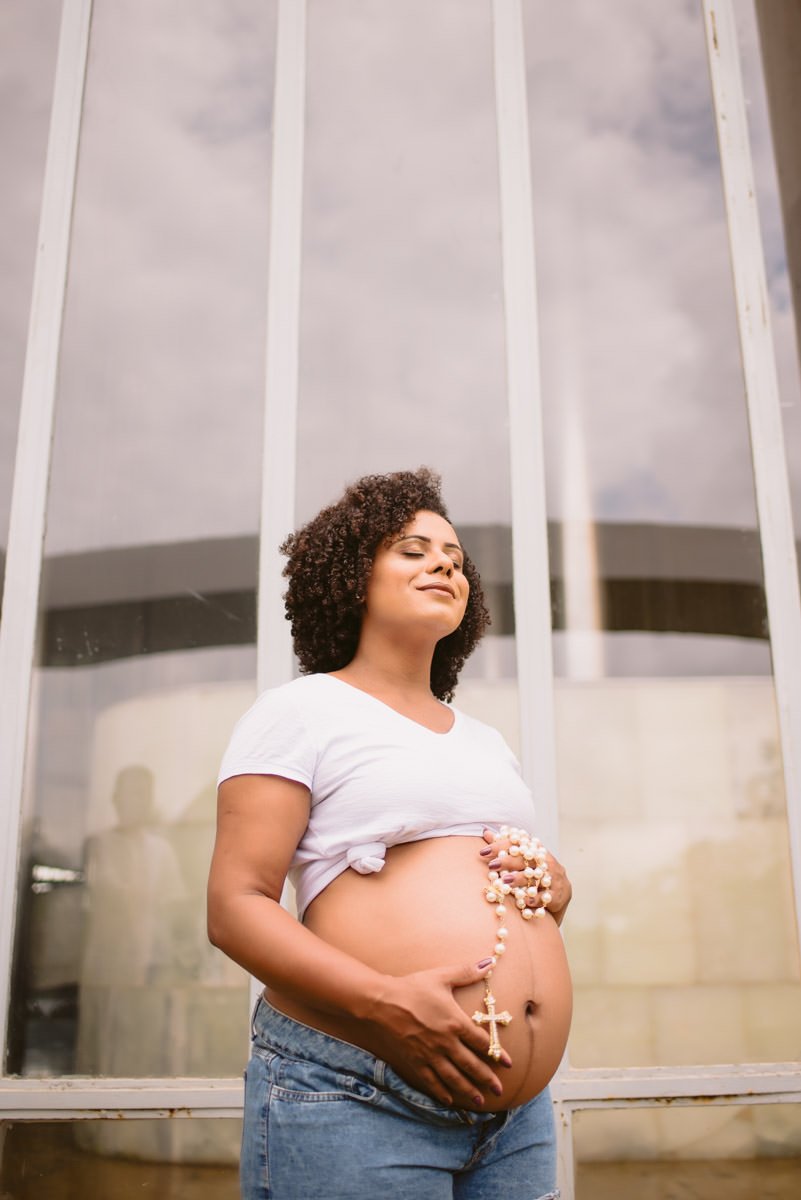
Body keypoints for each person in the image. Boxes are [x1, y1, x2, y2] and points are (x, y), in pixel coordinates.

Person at [207, 467, 572, 1200]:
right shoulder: (302, 711)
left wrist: (553, 889)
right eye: (412, 548)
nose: (444, 562)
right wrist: (384, 1001)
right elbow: (234, 905)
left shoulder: (484, 739)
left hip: (512, 1119)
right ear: (351, 576)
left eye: (455, 557)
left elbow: (486, 891)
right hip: (356, 1088)